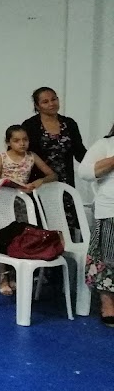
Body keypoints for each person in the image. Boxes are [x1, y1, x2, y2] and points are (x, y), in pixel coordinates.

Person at [0, 125, 56, 296]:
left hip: (22, 202)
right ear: (8, 142)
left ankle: (16, 275)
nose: (22, 144)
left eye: (25, 140)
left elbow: (52, 175)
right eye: (16, 140)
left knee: (20, 236)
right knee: (2, 237)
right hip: (3, 201)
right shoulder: (2, 157)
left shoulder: (31, 157)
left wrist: (39, 182)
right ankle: (3, 276)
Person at [80, 121, 114, 326]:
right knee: (108, 260)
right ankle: (108, 305)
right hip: (111, 210)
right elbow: (85, 172)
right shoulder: (106, 144)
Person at [20, 87, 88, 187]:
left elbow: (80, 152)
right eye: (45, 102)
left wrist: (99, 163)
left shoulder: (69, 123)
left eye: (54, 99)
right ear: (37, 106)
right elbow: (19, 152)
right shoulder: (29, 125)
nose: (51, 104)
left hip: (65, 181)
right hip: (38, 182)